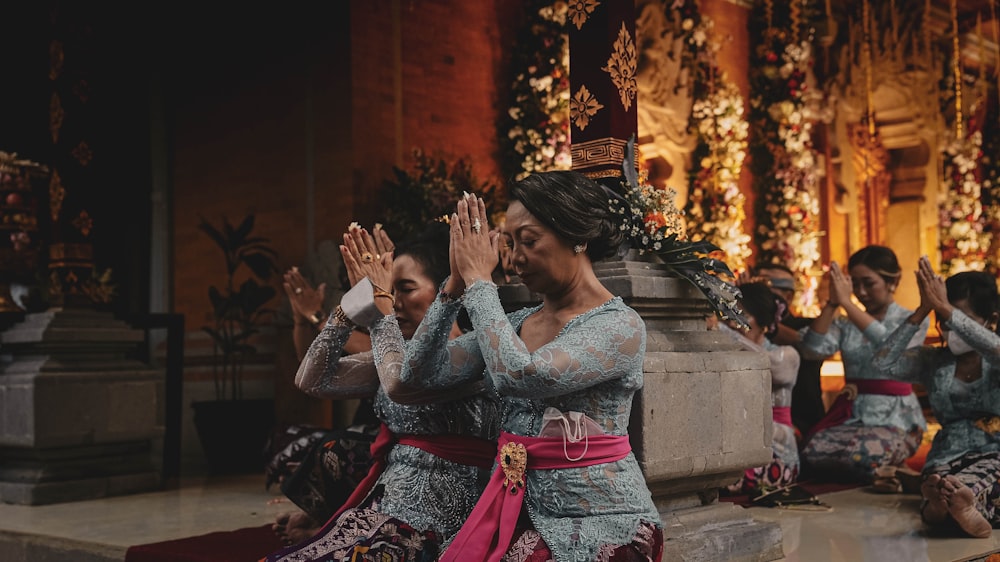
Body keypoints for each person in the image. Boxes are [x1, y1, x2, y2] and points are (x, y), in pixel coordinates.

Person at [395, 176, 664, 562]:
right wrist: (453, 288)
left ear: (576, 236)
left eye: (530, 240)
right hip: (510, 510)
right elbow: (417, 377)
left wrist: (480, 284)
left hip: (602, 524)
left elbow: (522, 376)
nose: (515, 257)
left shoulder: (620, 326)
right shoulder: (516, 323)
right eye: (510, 243)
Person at [263, 221, 501, 562]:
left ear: (447, 289)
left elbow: (402, 383)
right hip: (384, 506)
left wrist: (380, 311)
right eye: (389, 290)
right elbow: (311, 380)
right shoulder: (393, 354)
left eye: (405, 288)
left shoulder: (471, 350)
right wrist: (348, 310)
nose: (393, 301)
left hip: (440, 520)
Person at [871, 256, 1000, 538]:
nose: (949, 327)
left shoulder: (995, 355)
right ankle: (947, 504)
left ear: (991, 321)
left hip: (996, 449)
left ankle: (945, 507)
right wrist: (922, 310)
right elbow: (882, 363)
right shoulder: (933, 361)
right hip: (949, 451)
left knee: (988, 474)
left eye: (960, 318)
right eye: (944, 320)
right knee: (941, 480)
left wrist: (945, 307)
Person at [798, 245, 929, 487]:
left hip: (896, 419)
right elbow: (811, 350)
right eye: (854, 284)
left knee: (861, 458)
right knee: (811, 453)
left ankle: (891, 467)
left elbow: (890, 344)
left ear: (892, 281)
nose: (860, 291)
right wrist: (833, 304)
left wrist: (849, 304)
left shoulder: (913, 319)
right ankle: (889, 471)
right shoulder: (845, 324)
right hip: (853, 415)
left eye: (868, 283)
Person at [719, 281, 800, 495]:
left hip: (776, 444)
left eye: (740, 315)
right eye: (727, 315)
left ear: (764, 322)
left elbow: (767, 364)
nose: (732, 323)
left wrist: (720, 330)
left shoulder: (787, 355)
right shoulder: (725, 356)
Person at [752, 262, 827, 440]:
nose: (760, 296)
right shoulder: (748, 325)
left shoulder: (807, 327)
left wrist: (762, 321)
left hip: (801, 420)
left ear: (788, 296)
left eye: (766, 289)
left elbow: (808, 345)